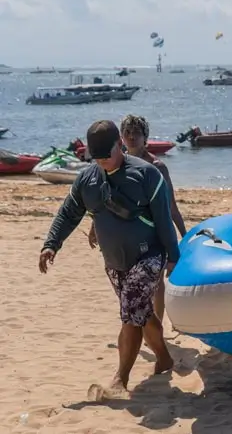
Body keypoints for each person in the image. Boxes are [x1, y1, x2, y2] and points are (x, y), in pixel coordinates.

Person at [39, 120, 180, 399]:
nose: (103, 162)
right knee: (140, 312)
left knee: (130, 313)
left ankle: (120, 379)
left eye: (107, 155)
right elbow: (69, 213)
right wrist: (51, 244)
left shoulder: (147, 174)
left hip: (148, 256)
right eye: (97, 158)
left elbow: (164, 219)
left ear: (120, 144)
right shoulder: (87, 179)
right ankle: (164, 358)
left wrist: (173, 257)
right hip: (115, 261)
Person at [88, 114, 186, 323]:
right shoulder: (115, 164)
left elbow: (171, 206)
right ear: (121, 137)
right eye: (127, 133)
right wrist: (93, 226)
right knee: (125, 278)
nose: (132, 137)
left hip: (153, 231)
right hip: (123, 233)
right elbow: (104, 201)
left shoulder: (157, 167)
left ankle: (156, 326)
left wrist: (184, 236)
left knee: (156, 282)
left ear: (145, 137)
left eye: (137, 133)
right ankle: (133, 323)